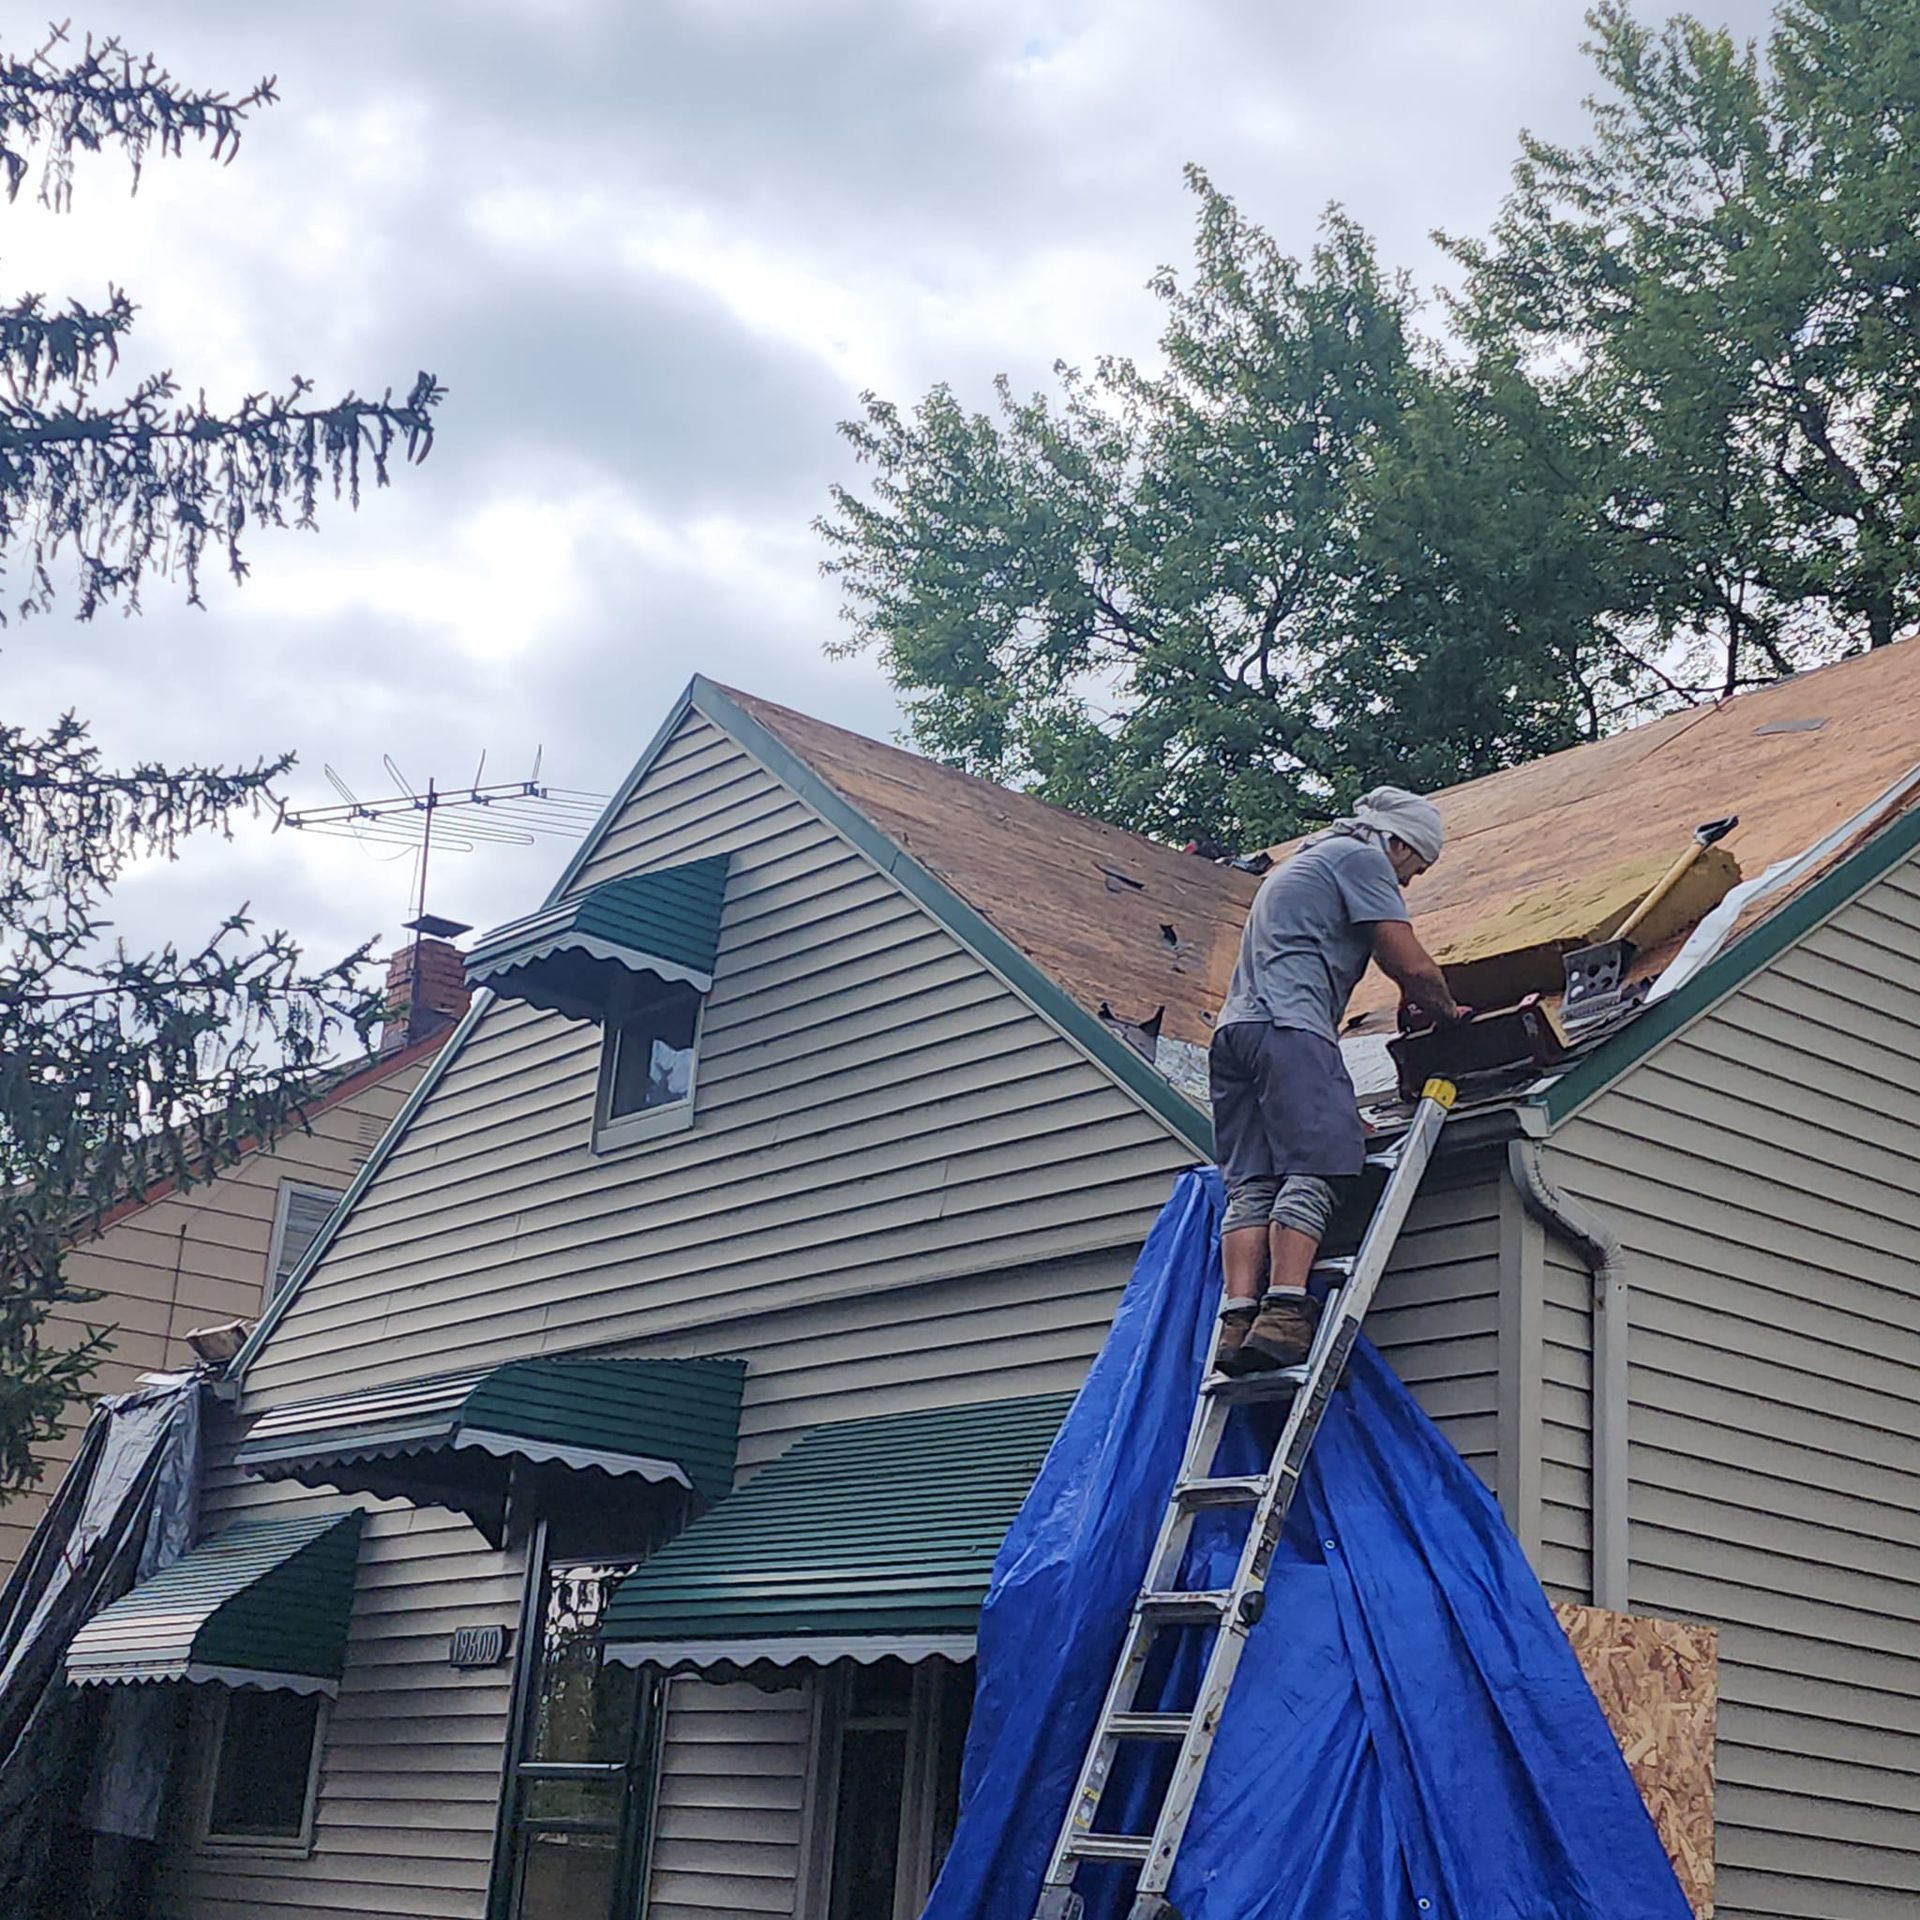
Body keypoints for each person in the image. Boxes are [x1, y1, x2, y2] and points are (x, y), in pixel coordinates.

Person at [1210, 786, 1464, 1377]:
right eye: (1414, 868)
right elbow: (1410, 961)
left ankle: (1236, 1322)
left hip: (1236, 1034)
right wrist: (1449, 1014)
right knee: (1322, 1162)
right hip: (1289, 1028)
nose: (1406, 884)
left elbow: (1382, 961)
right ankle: (1285, 1311)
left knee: (1253, 1181)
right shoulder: (1363, 857)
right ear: (1398, 842)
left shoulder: (1311, 859)